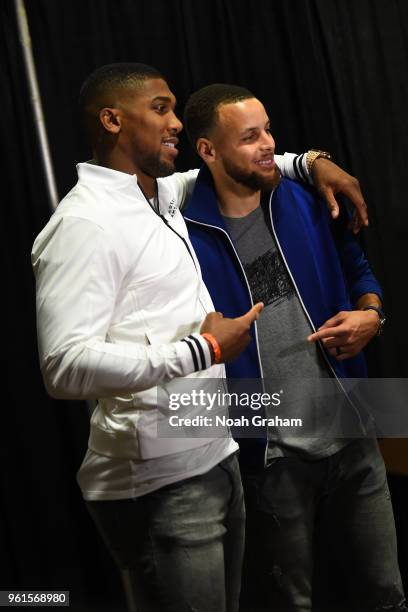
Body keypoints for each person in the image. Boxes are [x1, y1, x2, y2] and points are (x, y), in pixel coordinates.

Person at [32, 63, 373, 612]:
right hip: (157, 481)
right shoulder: (85, 224)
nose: (175, 124)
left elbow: (248, 160)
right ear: (113, 119)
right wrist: (205, 349)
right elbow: (64, 366)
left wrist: (313, 163)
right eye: (161, 108)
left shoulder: (160, 194)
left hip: (215, 455)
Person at [182, 83, 406, 612]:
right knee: (290, 602)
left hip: (352, 429)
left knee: (387, 596)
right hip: (269, 453)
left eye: (269, 131)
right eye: (250, 136)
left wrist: (372, 314)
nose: (268, 145)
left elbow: (359, 271)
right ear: (208, 150)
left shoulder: (305, 196)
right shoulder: (183, 230)